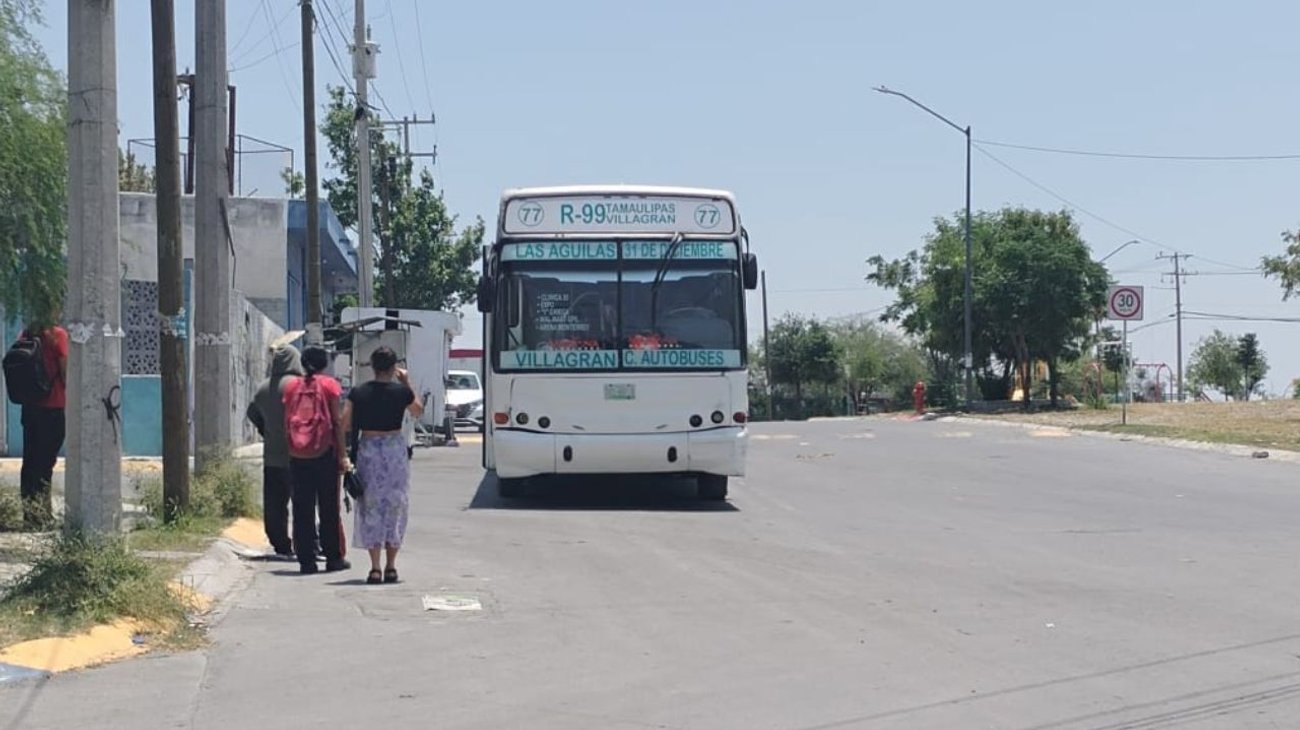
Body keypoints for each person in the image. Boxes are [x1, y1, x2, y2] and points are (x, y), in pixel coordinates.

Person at [342, 346, 423, 585]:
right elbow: (417, 410)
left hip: (369, 448)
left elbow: (344, 422)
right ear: (394, 366)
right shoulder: (401, 392)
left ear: (373, 366)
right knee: (395, 504)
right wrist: (407, 381)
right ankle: (391, 566)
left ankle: (375, 567)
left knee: (372, 505)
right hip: (394, 450)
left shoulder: (359, 392)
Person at [282, 346, 350, 575]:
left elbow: (287, 421)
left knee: (302, 509)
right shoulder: (330, 385)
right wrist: (342, 454)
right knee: (329, 508)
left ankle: (306, 560)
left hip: (298, 455)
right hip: (324, 454)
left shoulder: (291, 387)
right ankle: (333, 558)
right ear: (324, 365)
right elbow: (337, 423)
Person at [245, 345, 304, 558]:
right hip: (301, 454)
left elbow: (252, 414)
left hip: (273, 455)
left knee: (275, 504)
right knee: (302, 503)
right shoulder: (300, 386)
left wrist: (266, 429)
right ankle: (305, 543)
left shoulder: (262, 389)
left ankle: (281, 544)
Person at [15, 319, 68, 528]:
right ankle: (43, 515)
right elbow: (66, 373)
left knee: (30, 462)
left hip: (29, 407)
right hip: (52, 407)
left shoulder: (26, 333)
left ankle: (30, 514)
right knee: (46, 463)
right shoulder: (58, 335)